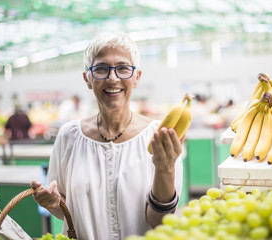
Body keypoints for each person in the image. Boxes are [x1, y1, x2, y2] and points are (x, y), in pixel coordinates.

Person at [31, 31, 185, 240]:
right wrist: (53, 205)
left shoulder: (159, 137)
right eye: (101, 69)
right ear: (88, 78)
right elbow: (66, 211)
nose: (113, 78)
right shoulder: (69, 136)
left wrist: (165, 168)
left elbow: (159, 221)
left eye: (122, 68)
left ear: (136, 77)